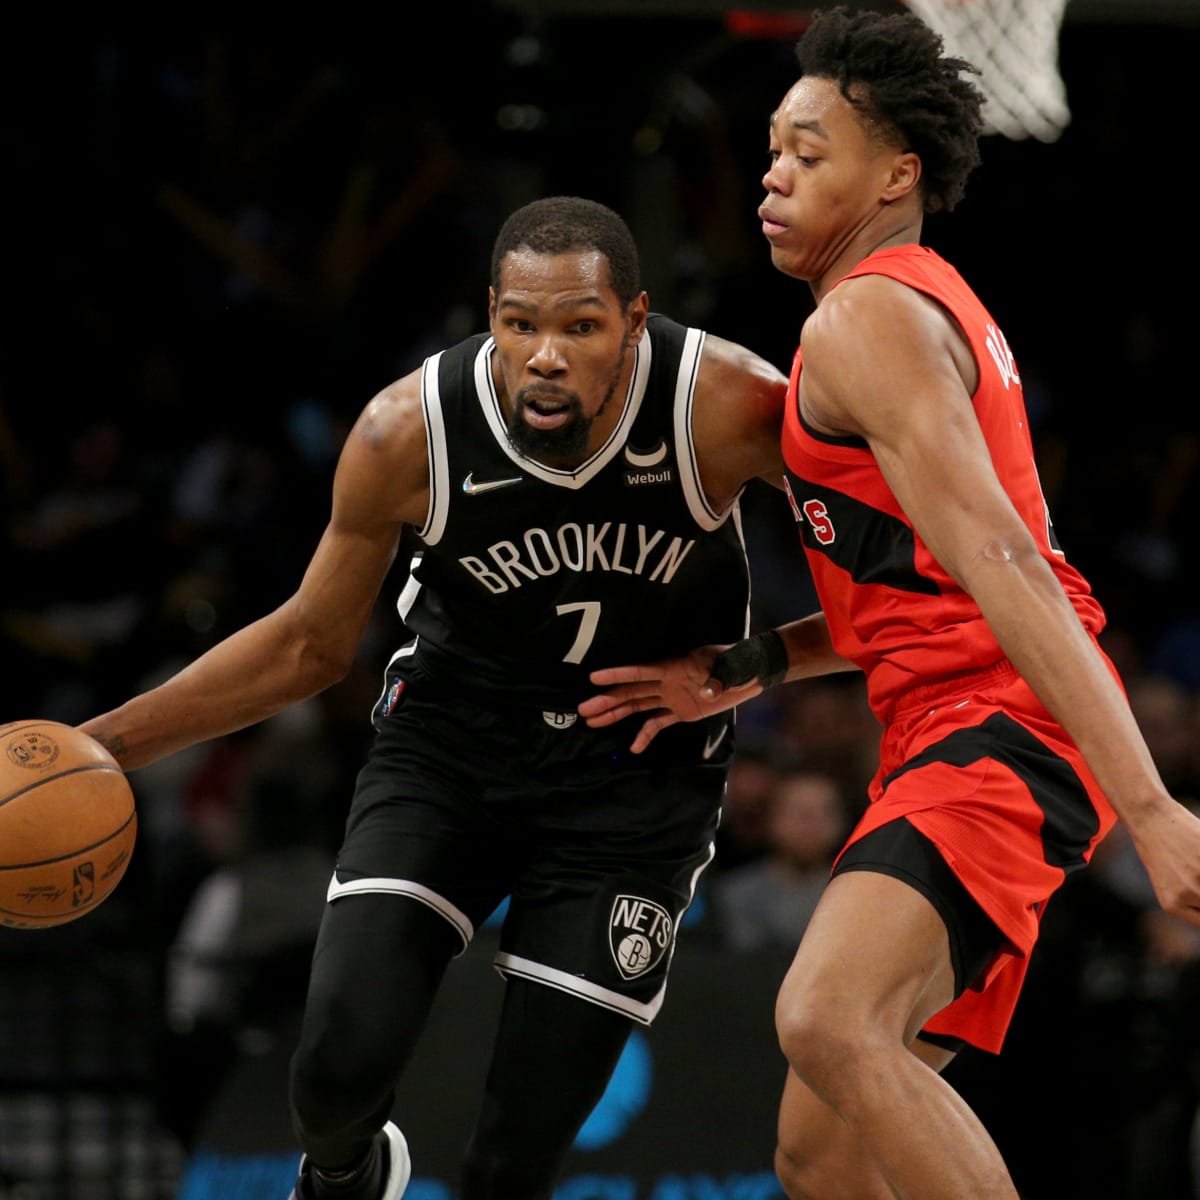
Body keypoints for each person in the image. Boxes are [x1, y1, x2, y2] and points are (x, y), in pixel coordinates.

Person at [578, 8, 1200, 1198]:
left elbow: (1008, 566)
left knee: (827, 1017)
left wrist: (1154, 808)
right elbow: (912, 594)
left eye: (809, 153)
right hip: (956, 727)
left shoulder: (867, 318)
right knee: (817, 1159)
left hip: (1001, 726)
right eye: (773, 150)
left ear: (895, 175)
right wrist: (751, 665)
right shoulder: (907, 307)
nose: (774, 173)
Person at [77, 194, 788, 1200]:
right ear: (491, 312)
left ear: (634, 322)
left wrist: (756, 664)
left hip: (635, 776)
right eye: (521, 324)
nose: (546, 356)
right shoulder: (407, 431)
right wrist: (101, 745)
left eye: (581, 326)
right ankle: (350, 1178)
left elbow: (905, 571)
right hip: (453, 748)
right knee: (333, 1072)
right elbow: (310, 646)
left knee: (516, 1159)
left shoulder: (728, 403)